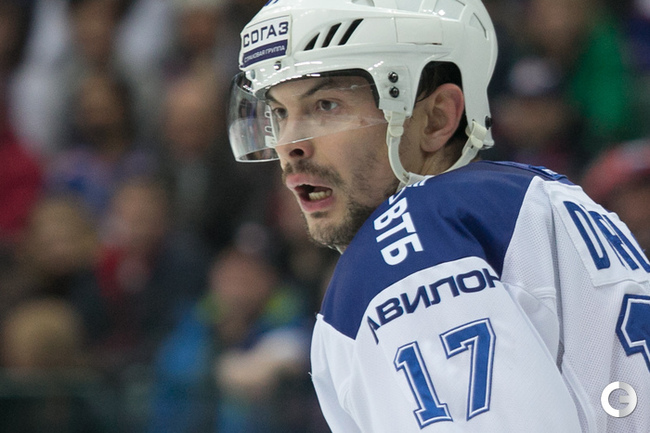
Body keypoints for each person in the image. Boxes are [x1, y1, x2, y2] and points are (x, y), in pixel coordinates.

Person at [226, 1, 650, 432]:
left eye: (326, 105)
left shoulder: (410, 240)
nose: (289, 145)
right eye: (279, 113)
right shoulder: (543, 198)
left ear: (436, 119)